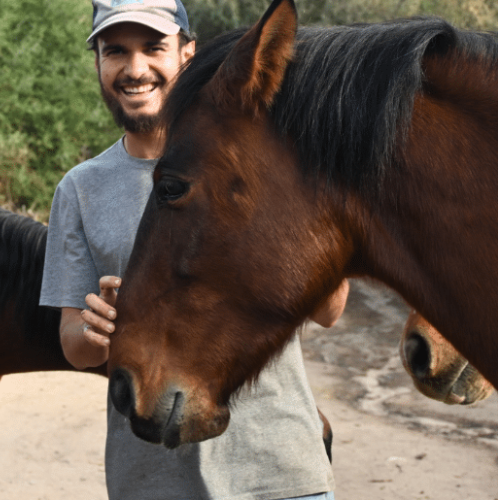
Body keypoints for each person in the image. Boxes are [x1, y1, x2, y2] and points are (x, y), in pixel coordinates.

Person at [40, 1, 350, 499]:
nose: (135, 68)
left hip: (279, 473)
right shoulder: (81, 189)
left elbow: (331, 310)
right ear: (98, 61)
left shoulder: (258, 159)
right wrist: (95, 330)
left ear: (188, 53)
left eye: (154, 47)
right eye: (115, 50)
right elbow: (72, 344)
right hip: (154, 480)